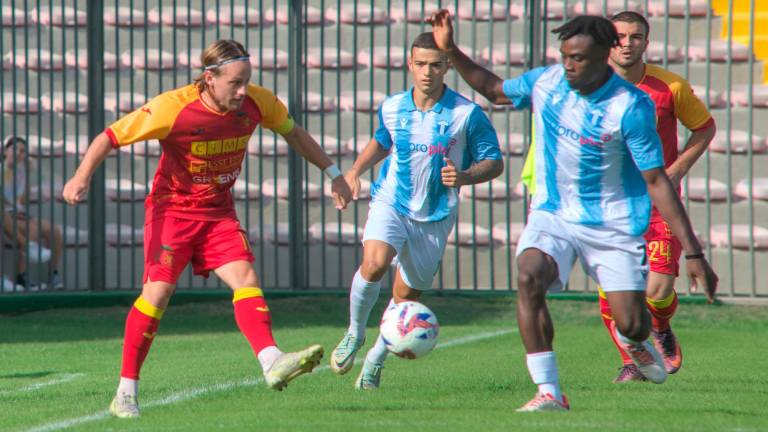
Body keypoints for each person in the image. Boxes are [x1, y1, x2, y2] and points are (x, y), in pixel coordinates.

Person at [428, 12, 718, 411]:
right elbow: (494, 90)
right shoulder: (547, 82)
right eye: (565, 55)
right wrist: (450, 51)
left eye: (578, 58)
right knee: (529, 275)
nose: (568, 65)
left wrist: (694, 252)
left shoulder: (630, 106)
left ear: (604, 56)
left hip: (612, 225)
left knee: (633, 322)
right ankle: (549, 391)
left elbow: (656, 181)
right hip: (554, 214)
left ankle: (636, 340)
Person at [62, 39, 353, 418]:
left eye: (246, 81)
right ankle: (126, 392)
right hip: (173, 213)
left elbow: (293, 133)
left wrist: (333, 173)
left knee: (246, 276)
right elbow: (110, 137)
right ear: (209, 77)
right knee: (159, 293)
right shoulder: (172, 107)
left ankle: (271, 360)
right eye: (234, 82)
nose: (242, 90)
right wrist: (80, 177)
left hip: (217, 213)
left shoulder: (257, 103)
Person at [329, 32, 504, 390]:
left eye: (435, 65)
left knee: (405, 298)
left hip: (436, 214)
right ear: (409, 64)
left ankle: (376, 360)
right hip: (391, 200)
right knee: (374, 264)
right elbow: (383, 140)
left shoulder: (466, 114)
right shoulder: (393, 106)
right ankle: (354, 333)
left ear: (448, 67)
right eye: (420, 64)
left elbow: (494, 162)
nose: (427, 72)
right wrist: (354, 171)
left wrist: (466, 175)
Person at [599, 11, 717, 382]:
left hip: (658, 203)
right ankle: (634, 362)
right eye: (620, 36)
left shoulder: (670, 88)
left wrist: (678, 168)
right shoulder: (589, 89)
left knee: (658, 290)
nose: (627, 43)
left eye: (636, 37)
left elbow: (704, 127)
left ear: (646, 44)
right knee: (614, 291)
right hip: (608, 204)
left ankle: (661, 327)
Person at [3, 135, 61, 290]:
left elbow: (23, 201)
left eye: (23, 151)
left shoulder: (21, 171)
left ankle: (53, 275)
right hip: (6, 215)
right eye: (15, 149)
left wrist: (27, 174)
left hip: (19, 213)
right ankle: (22, 277)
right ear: (5, 151)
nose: (19, 154)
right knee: (33, 229)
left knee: (54, 231)